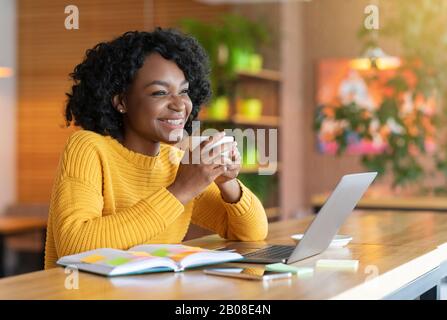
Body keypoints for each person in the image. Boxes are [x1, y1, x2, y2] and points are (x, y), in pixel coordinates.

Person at [44, 28, 268, 269]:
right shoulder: (88, 148)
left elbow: (252, 233)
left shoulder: (175, 161)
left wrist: (227, 182)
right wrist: (180, 190)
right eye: (160, 93)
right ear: (121, 102)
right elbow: (75, 245)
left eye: (184, 91)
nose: (180, 105)